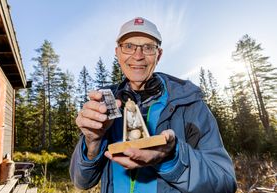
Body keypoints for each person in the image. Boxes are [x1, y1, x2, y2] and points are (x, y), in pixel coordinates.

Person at [70, 17, 237, 193]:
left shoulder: (189, 105)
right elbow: (82, 182)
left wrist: (173, 158)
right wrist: (93, 141)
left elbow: (225, 183)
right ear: (117, 53)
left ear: (159, 55)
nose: (138, 55)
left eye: (148, 47)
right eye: (128, 46)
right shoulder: (104, 105)